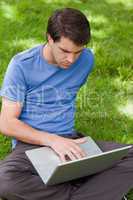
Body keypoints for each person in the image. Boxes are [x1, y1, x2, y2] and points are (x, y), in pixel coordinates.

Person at [0, 7, 132, 200]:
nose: (71, 59)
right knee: (5, 182)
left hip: (72, 140)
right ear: (49, 38)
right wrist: (53, 140)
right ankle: (91, 190)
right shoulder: (21, 65)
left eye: (77, 52)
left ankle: (71, 187)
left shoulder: (86, 60)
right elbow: (7, 123)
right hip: (30, 144)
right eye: (65, 51)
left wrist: (64, 141)